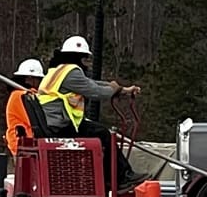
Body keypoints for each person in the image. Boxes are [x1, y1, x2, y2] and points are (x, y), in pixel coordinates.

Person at [36, 35, 140, 184]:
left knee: (98, 132)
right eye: (85, 59)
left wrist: (122, 89)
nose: (87, 64)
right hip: (60, 126)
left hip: (52, 123)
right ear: (77, 57)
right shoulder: (71, 73)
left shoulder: (57, 71)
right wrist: (115, 89)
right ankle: (120, 176)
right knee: (104, 134)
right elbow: (97, 91)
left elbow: (92, 83)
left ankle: (110, 177)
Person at [4, 58, 44, 157]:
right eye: (38, 79)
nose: (40, 83)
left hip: (26, 144)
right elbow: (34, 116)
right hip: (21, 144)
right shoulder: (21, 96)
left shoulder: (22, 94)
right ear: (30, 79)